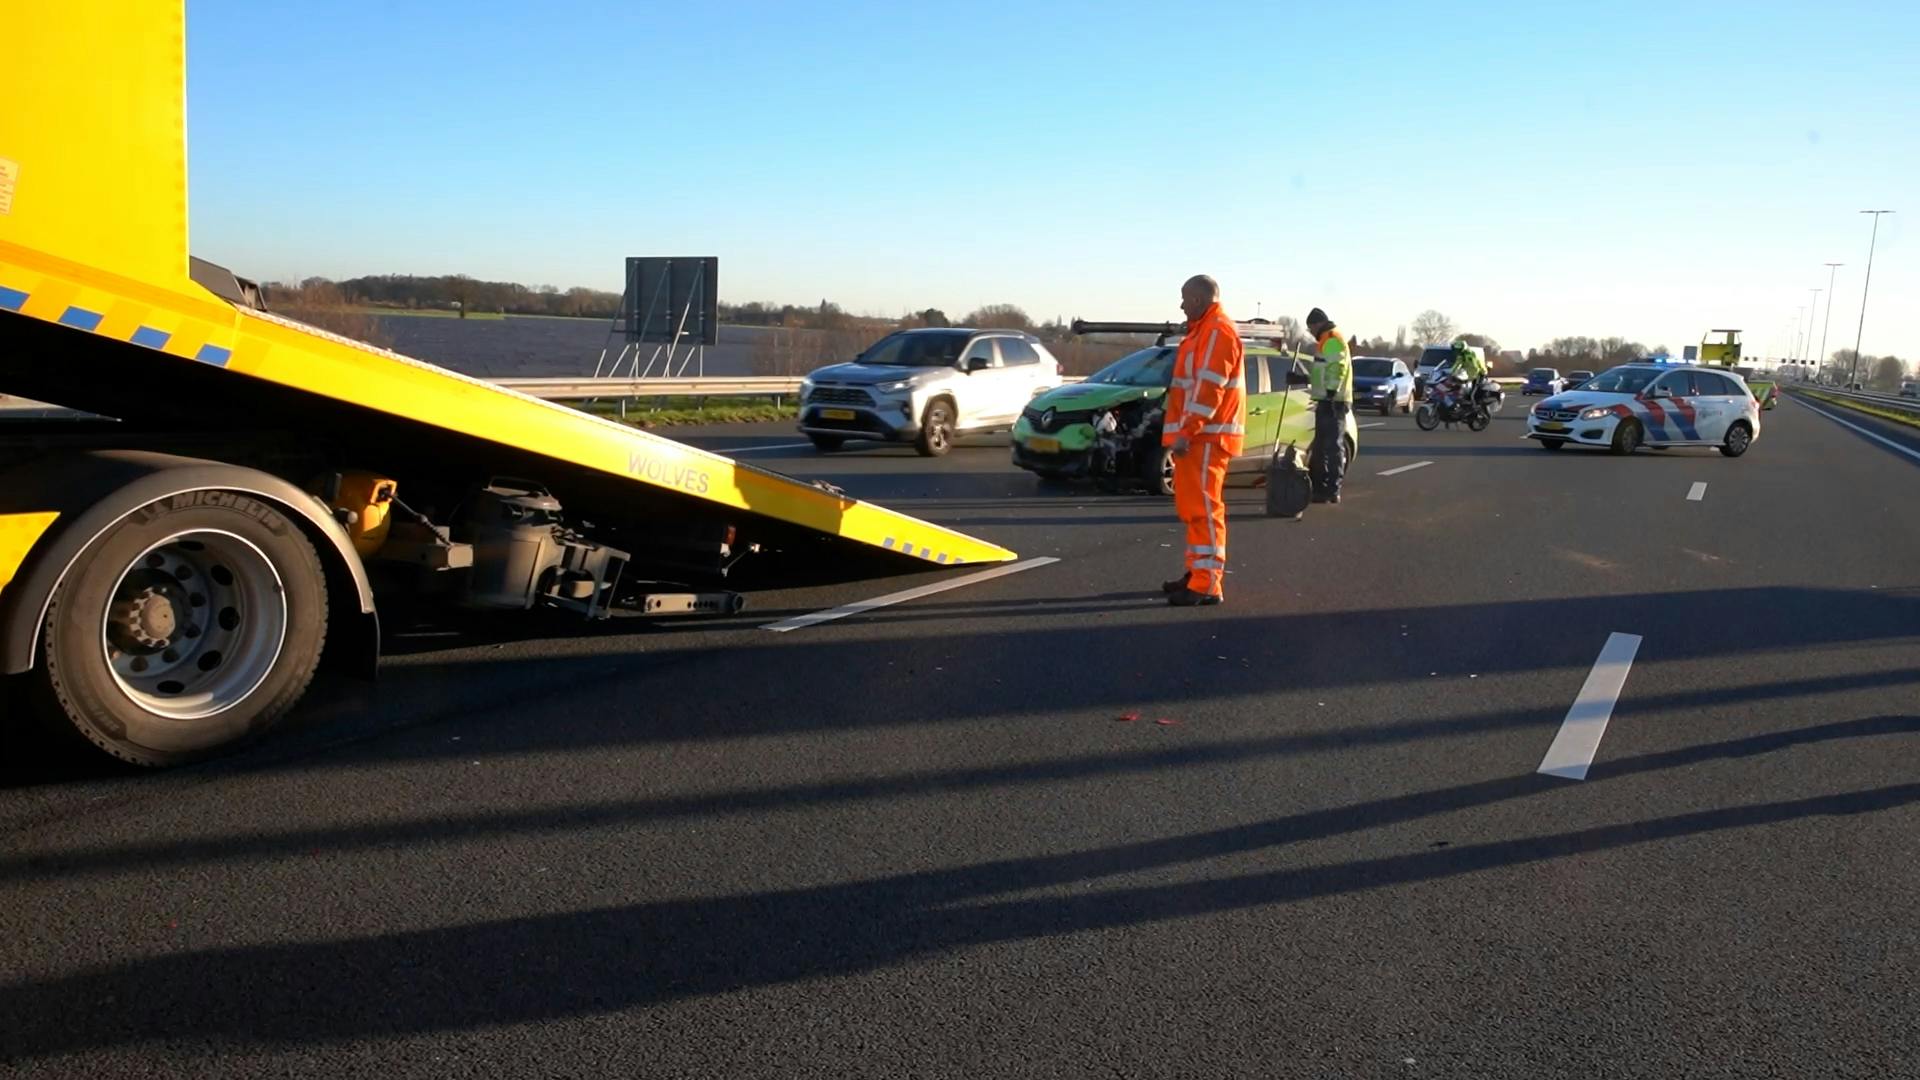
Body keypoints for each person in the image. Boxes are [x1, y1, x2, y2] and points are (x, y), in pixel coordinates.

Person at [1160, 275, 1245, 607]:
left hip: (1205, 437)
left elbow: (1209, 390)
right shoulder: (1204, 331)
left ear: (1198, 300)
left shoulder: (1216, 332)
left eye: (1184, 299)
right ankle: (1197, 574)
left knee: (1205, 511)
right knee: (1195, 510)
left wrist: (1187, 431)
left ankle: (1207, 583)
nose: (1181, 306)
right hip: (1199, 437)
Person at [1304, 307, 1352, 503]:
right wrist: (1302, 378)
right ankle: (1321, 487)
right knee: (1322, 447)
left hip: (1334, 401)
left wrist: (1331, 392)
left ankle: (1332, 489)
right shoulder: (1326, 340)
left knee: (1332, 446)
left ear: (1317, 324)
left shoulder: (1332, 339)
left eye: (1310, 328)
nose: (1310, 332)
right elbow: (1322, 372)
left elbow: (1337, 368)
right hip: (1326, 399)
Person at [1440, 339, 1487, 413]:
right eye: (1456, 350)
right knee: (1461, 391)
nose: (1456, 352)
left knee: (1472, 394)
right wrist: (1451, 373)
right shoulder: (1461, 355)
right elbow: (1457, 364)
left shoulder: (1471, 355)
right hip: (1471, 376)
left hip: (1479, 375)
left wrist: (1471, 378)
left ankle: (1475, 410)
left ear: (1462, 349)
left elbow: (1476, 367)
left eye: (1458, 350)